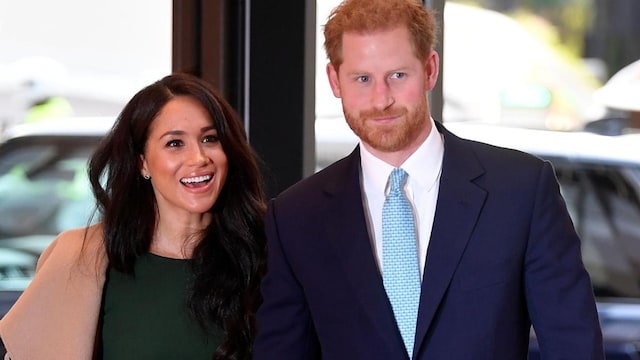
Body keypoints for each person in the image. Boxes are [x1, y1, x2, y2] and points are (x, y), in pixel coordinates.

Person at [253, 0, 604, 359]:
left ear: (430, 69)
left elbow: (574, 347)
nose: (381, 99)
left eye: (397, 75)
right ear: (334, 80)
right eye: (362, 79)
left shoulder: (520, 191)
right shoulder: (296, 217)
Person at [0, 73, 267, 359]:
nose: (199, 158)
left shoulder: (266, 252)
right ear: (142, 162)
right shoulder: (83, 258)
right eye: (175, 144)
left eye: (210, 138)